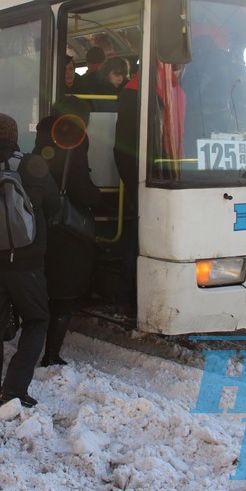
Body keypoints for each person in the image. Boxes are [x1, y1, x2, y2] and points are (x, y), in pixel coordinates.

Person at [0, 113, 60, 411]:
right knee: (37, 320)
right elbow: (54, 205)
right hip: (27, 265)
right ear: (15, 136)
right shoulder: (34, 165)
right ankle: (14, 389)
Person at [33, 97, 100, 366]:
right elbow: (79, 184)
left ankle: (34, 347)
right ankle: (51, 354)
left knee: (45, 284)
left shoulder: (42, 135)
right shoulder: (74, 138)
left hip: (43, 219)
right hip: (66, 227)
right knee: (64, 291)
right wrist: (99, 198)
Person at [113, 73, 141, 317]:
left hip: (156, 178)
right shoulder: (133, 94)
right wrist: (135, 187)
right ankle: (124, 298)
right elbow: (122, 148)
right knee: (136, 240)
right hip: (144, 181)